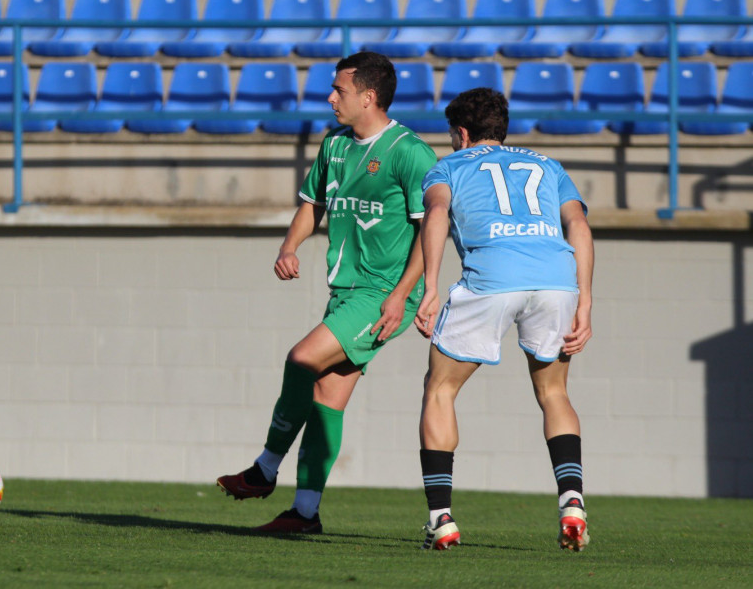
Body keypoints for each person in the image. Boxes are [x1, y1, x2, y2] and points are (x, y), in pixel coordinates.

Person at [216, 52, 437, 533]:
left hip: (383, 293)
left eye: (339, 90)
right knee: (326, 399)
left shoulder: (409, 151)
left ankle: (265, 467)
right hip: (345, 290)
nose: (330, 97)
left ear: (368, 97)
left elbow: (430, 232)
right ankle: (305, 513)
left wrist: (403, 296)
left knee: (301, 358)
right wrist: (289, 246)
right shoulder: (335, 145)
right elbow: (310, 204)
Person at [415, 88, 594, 552]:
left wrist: (430, 285)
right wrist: (586, 301)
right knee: (554, 392)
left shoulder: (449, 166)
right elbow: (579, 227)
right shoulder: (548, 166)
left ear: (462, 133)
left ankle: (441, 518)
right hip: (557, 281)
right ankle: (572, 503)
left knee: (440, 388)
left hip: (492, 277)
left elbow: (435, 212)